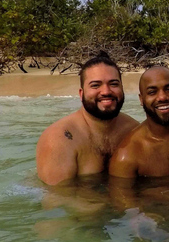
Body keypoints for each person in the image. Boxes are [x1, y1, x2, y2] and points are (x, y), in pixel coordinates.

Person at [36, 54, 139, 185]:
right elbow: (57, 199)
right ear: (81, 93)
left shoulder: (134, 131)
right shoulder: (59, 139)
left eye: (113, 84)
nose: (106, 91)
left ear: (122, 89)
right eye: (96, 85)